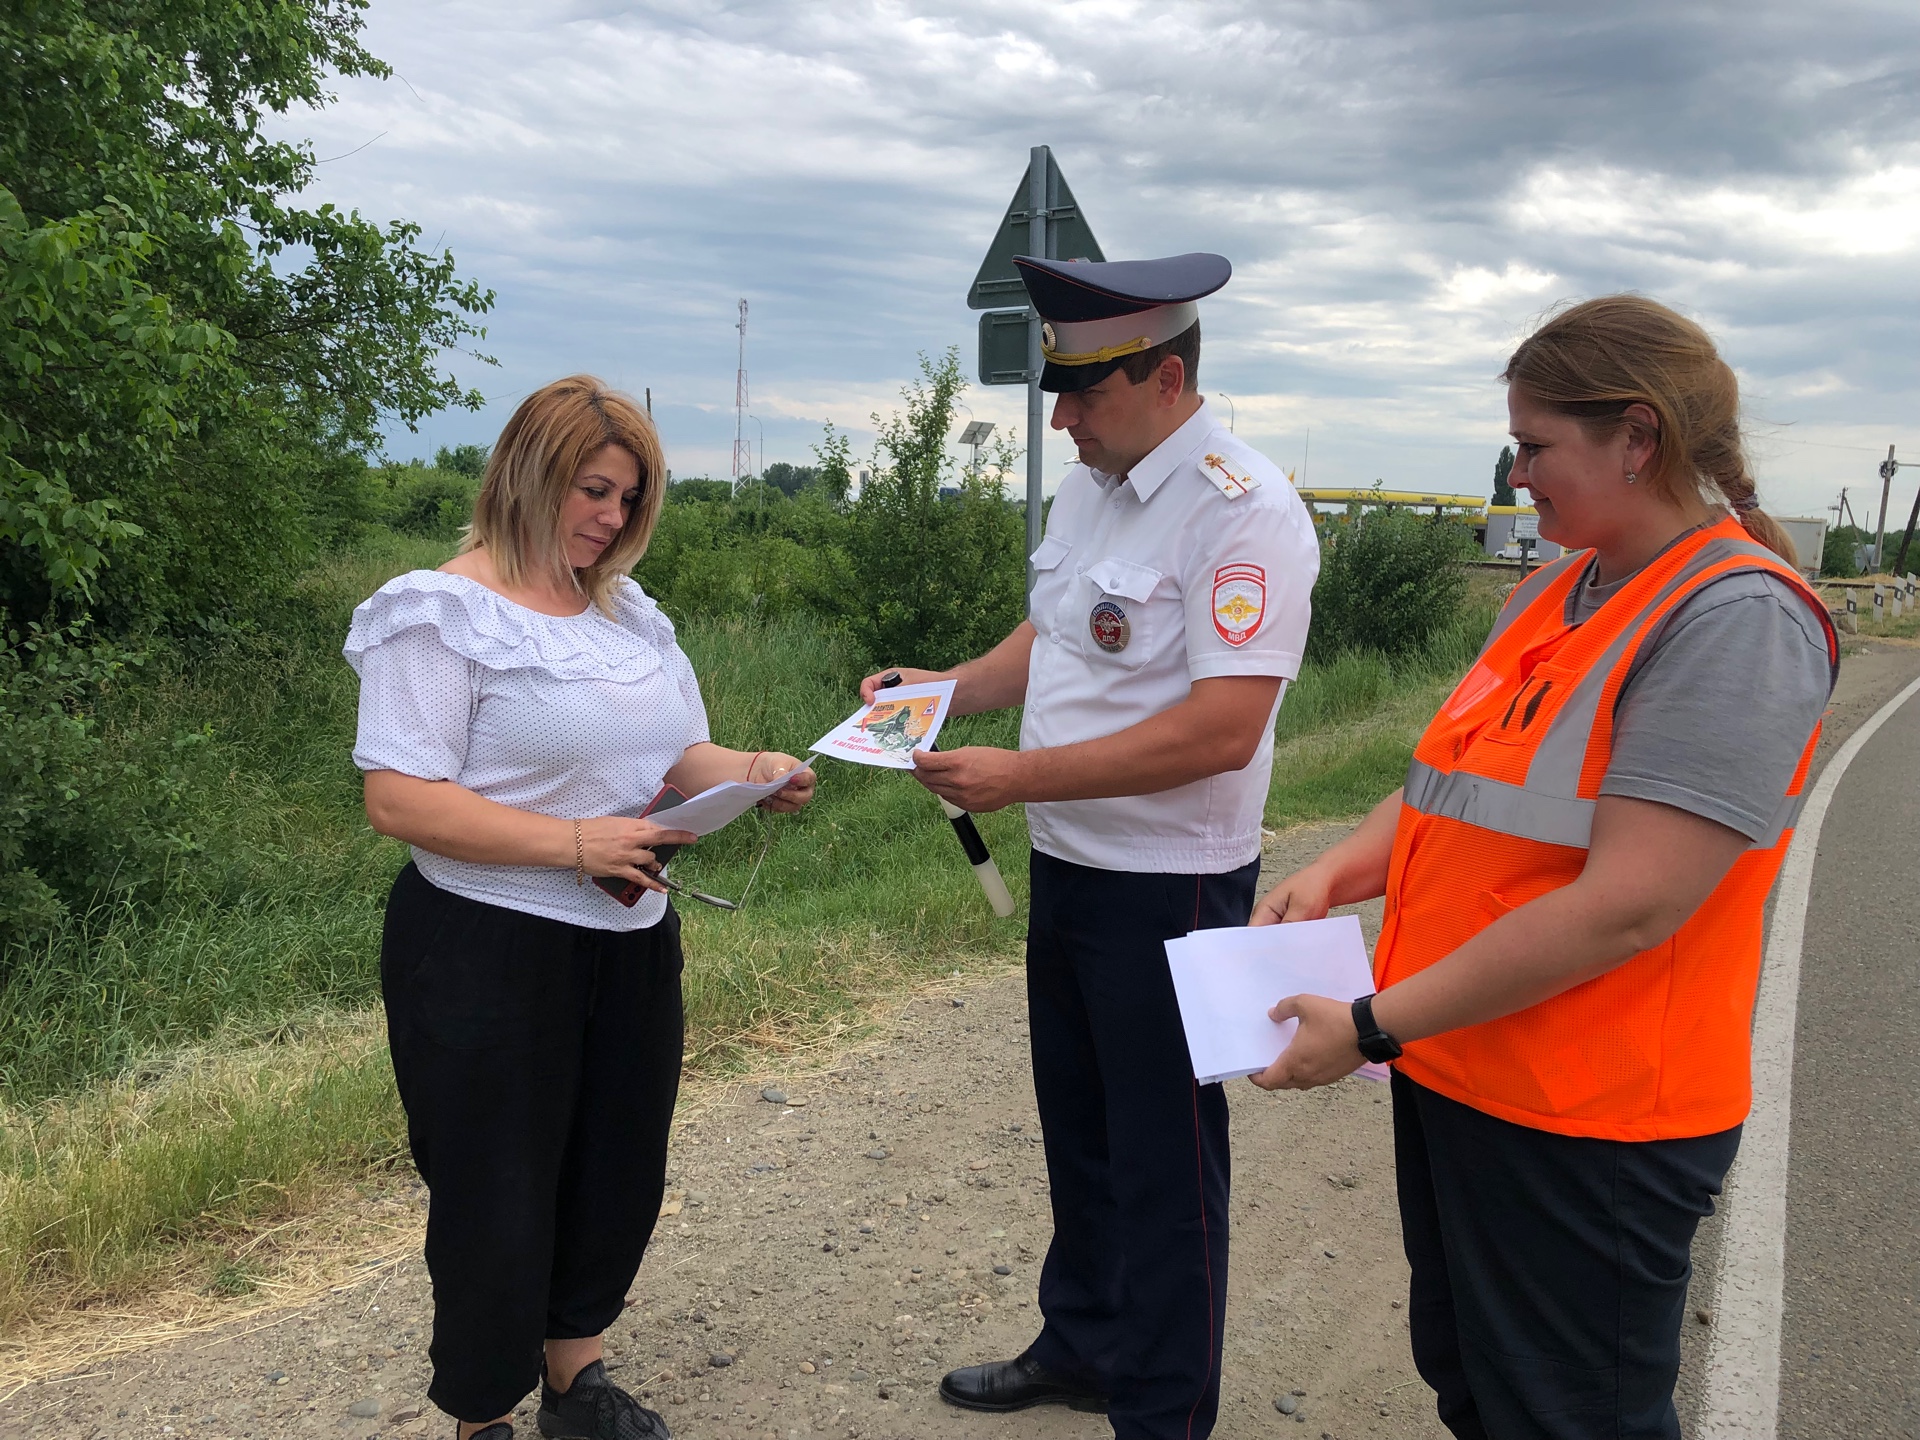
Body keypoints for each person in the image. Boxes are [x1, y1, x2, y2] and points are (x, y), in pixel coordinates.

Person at [1248, 296, 1839, 1440]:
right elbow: (1447, 781)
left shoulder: (1733, 618)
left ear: (1638, 435)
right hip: (1467, 1068)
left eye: (1535, 446)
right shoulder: (1561, 589)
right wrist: (1339, 873)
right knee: (1480, 1390)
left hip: (1593, 1119)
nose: (1518, 475)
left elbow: (1628, 905)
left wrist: (1370, 1024)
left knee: (1571, 1418)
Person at [863, 252, 1319, 1440]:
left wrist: (1020, 777)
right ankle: (1084, 1343)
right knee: (1082, 1135)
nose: (1060, 416)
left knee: (1165, 1167)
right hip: (1074, 867)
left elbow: (1224, 730)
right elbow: (1056, 634)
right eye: (1057, 389)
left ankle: (1161, 1410)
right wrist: (946, 693)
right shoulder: (1096, 482)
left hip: (1172, 887)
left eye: (1085, 390)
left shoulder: (1243, 507)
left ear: (1167, 376)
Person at [344, 376, 814, 1440]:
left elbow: (673, 755)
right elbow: (399, 798)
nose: (609, 519)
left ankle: (576, 1377)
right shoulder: (440, 612)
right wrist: (571, 844)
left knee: (614, 1169)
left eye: (628, 500)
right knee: (494, 1191)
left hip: (632, 935)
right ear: (527, 474)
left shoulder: (626, 616)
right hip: (485, 948)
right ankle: (480, 1413)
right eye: (591, 491)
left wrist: (747, 766)